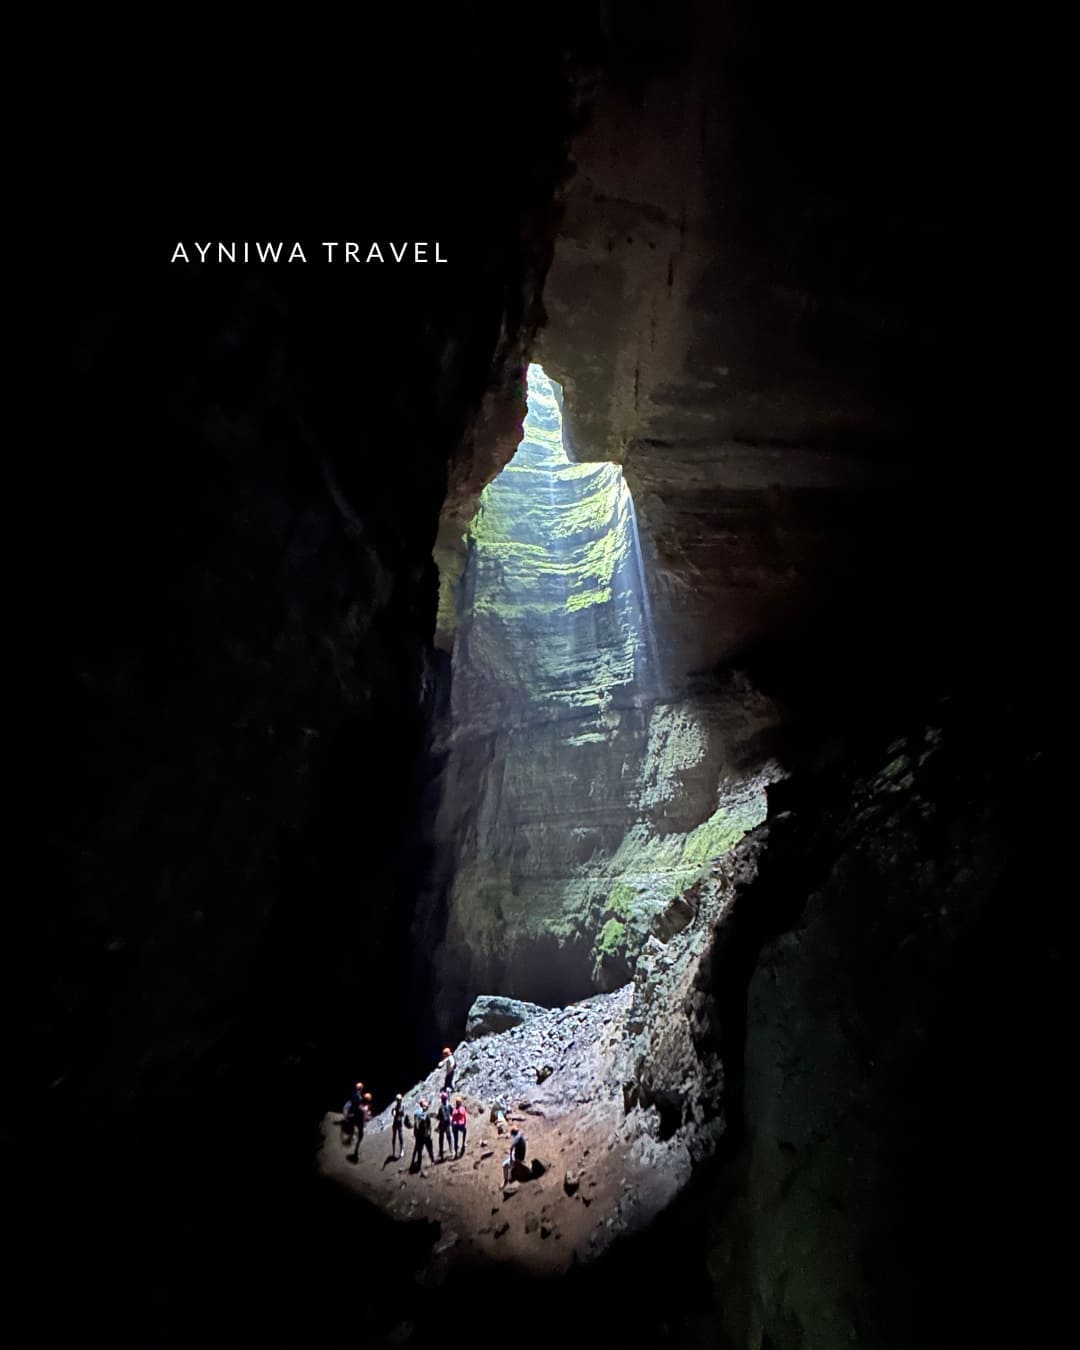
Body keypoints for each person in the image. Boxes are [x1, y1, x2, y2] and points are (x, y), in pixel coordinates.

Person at [411, 1098, 435, 1174]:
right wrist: (429, 1132)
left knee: (420, 1151)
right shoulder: (423, 1114)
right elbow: (426, 1125)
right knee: (428, 1149)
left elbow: (417, 1126)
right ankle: (432, 1161)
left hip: (420, 1136)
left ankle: (420, 1165)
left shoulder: (417, 1113)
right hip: (424, 1135)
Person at [436, 1091, 453, 1161]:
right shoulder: (449, 1106)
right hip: (448, 1124)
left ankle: (441, 1153)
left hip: (442, 1125)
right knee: (449, 1137)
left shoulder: (441, 1108)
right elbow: (452, 1112)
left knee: (441, 1139)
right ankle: (451, 1150)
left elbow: (439, 1117)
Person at [390, 1093, 407, 1160]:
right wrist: (394, 1113)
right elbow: (393, 1113)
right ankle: (394, 1151)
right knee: (394, 1137)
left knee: (400, 1137)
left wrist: (403, 1116)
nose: (400, 1101)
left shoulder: (402, 1107)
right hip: (395, 1124)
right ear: (397, 1101)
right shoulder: (394, 1108)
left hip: (400, 1124)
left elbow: (403, 1114)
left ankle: (401, 1150)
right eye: (399, 1100)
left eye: (400, 1099)